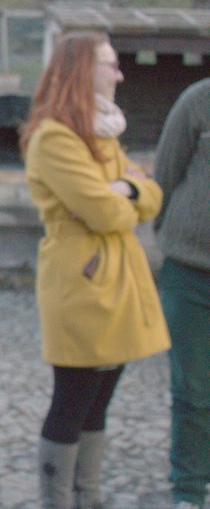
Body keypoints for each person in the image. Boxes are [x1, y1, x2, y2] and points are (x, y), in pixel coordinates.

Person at [20, 31, 170, 509]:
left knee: (99, 401)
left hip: (119, 281)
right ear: (83, 71)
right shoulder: (55, 138)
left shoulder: (102, 133)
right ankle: (59, 501)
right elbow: (108, 213)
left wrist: (126, 191)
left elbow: (153, 193)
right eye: (111, 64)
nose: (120, 73)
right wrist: (130, 191)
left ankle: (92, 499)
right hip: (82, 286)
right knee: (72, 400)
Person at [153, 77, 210, 509]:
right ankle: (189, 490)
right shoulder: (198, 99)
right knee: (193, 390)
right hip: (191, 271)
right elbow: (166, 174)